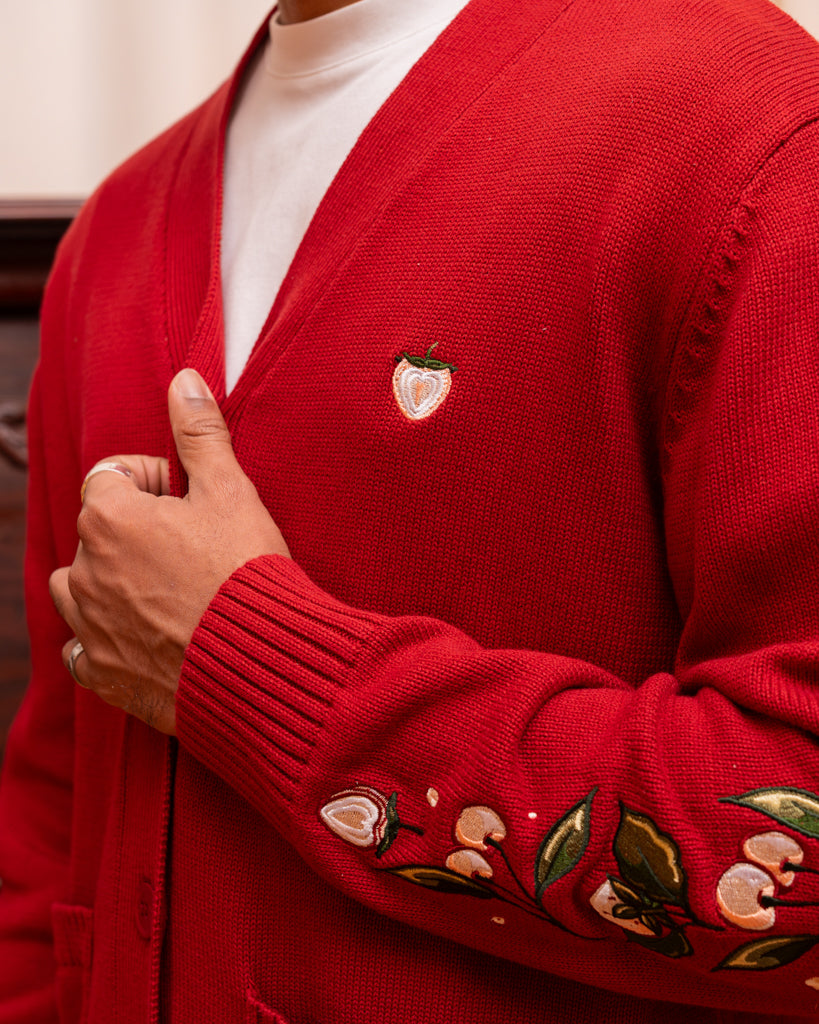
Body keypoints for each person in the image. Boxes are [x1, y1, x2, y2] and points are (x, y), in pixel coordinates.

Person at [2, 0, 819, 1020]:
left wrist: (250, 665)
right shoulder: (115, 233)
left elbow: (800, 844)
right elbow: (51, 812)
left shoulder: (742, 123)